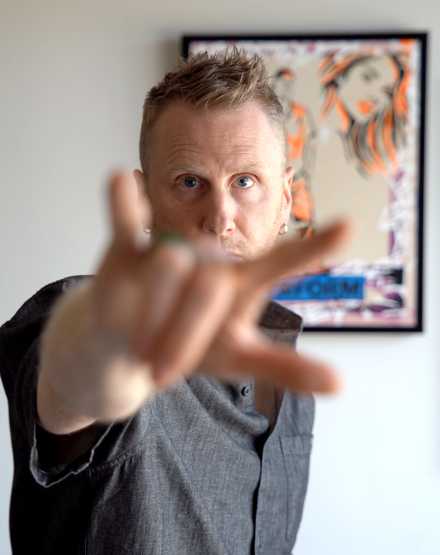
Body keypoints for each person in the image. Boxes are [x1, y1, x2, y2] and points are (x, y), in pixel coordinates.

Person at [0, 49, 348, 555]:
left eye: (245, 181)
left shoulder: (287, 374)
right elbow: (73, 382)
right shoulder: (93, 315)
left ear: (286, 199)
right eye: (190, 182)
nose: (220, 216)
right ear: (144, 201)